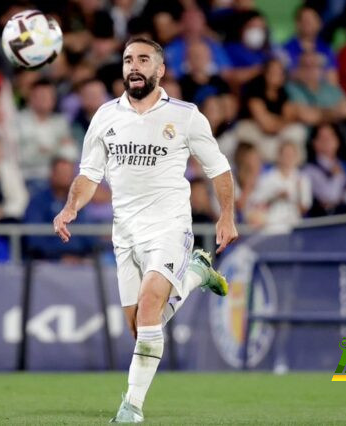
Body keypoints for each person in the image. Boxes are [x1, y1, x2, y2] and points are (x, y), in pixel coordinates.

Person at [52, 38, 237, 423]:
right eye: (127, 60)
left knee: (152, 305)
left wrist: (227, 216)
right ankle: (196, 274)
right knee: (140, 328)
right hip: (126, 234)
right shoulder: (105, 116)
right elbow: (89, 174)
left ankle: (131, 407)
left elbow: (218, 168)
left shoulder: (186, 116)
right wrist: (71, 207)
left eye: (143, 60)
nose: (134, 66)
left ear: (160, 70)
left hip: (170, 226)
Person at [17, 78, 76, 182]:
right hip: (27, 177)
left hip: (56, 180)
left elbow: (71, 153)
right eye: (41, 96)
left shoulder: (60, 122)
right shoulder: (19, 121)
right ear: (31, 98)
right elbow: (21, 156)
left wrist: (42, 150)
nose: (45, 100)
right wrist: (57, 148)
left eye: (48, 96)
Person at [246, 141, 312, 233]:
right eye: (285, 154)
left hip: (293, 226)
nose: (288, 158)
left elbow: (305, 207)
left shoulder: (302, 179)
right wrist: (275, 197)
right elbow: (256, 203)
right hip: (269, 226)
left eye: (291, 154)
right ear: (279, 156)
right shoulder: (266, 178)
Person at [303, 124, 346, 216]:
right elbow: (328, 197)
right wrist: (337, 176)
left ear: (337, 141)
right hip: (323, 220)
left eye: (331, 136)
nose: (327, 141)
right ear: (314, 143)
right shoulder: (309, 170)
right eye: (322, 137)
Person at [283, 6, 338, 83]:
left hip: (322, 93)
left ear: (320, 24)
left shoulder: (327, 50)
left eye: (311, 21)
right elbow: (283, 76)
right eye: (304, 21)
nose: (308, 24)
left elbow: (333, 79)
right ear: (297, 24)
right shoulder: (285, 49)